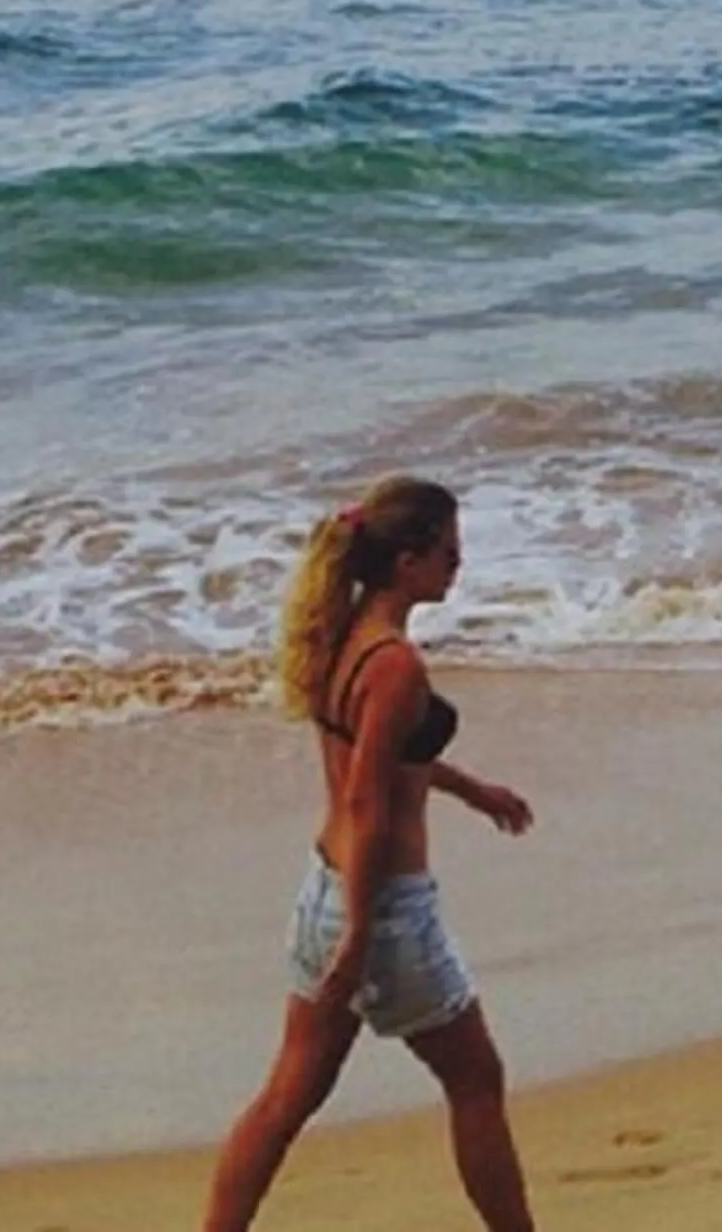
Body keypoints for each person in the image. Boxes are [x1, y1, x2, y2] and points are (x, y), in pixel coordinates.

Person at [203, 478, 539, 1232]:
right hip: (382, 911)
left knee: (286, 1098)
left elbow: (377, 761)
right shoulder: (393, 665)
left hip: (323, 892)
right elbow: (367, 803)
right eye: (448, 553)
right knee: (476, 1079)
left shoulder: (342, 636)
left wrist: (471, 789)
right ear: (406, 562)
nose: (458, 565)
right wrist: (359, 936)